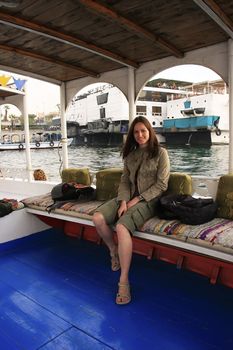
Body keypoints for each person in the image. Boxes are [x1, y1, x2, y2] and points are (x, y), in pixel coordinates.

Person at [93, 116, 170, 305]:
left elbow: (161, 185)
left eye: (143, 131)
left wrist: (137, 199)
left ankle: (124, 280)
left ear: (150, 132)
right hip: (127, 198)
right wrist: (123, 202)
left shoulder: (161, 153)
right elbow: (125, 181)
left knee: (121, 227)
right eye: (136, 132)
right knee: (97, 217)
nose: (140, 135)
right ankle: (113, 250)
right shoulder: (130, 155)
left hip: (149, 200)